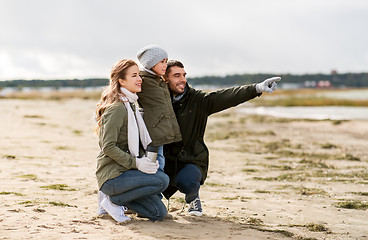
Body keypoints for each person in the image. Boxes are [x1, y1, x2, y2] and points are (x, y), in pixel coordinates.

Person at [163, 60, 281, 216]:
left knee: (188, 181)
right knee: (154, 183)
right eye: (176, 76)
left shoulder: (199, 100)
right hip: (163, 161)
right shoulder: (158, 101)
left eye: (184, 75)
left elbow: (226, 96)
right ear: (165, 79)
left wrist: (256, 88)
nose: (183, 79)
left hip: (190, 159)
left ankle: (193, 199)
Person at [94, 59, 169, 222]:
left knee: (158, 213)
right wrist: (137, 163)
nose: (139, 79)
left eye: (139, 75)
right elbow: (107, 147)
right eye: (134, 75)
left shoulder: (132, 105)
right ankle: (112, 200)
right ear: (121, 80)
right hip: (112, 175)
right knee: (162, 180)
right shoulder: (117, 108)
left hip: (127, 174)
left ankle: (121, 202)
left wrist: (147, 162)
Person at [136, 45, 182, 172]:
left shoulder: (158, 80)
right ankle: (154, 188)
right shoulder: (143, 80)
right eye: (162, 61)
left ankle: (157, 188)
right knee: (156, 162)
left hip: (160, 130)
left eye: (166, 61)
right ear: (150, 63)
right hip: (152, 130)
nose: (165, 65)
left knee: (160, 160)